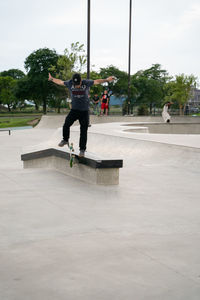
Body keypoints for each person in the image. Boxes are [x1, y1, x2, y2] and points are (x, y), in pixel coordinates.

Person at [48, 73, 114, 156]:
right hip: (74, 110)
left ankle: (82, 149)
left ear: (81, 81)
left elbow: (97, 81)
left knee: (83, 131)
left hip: (84, 111)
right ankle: (65, 139)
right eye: (75, 85)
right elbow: (60, 82)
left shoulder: (86, 82)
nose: (77, 86)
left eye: (78, 84)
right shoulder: (70, 83)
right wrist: (52, 79)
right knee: (66, 124)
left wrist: (107, 80)